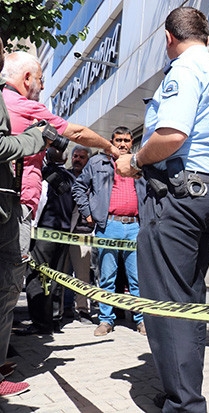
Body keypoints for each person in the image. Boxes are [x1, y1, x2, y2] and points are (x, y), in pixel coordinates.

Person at [115, 7, 209, 412]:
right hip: (207, 193)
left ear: (169, 38)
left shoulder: (184, 69)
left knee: (166, 304)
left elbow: (171, 135)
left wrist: (135, 161)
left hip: (179, 196)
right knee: (187, 301)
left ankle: (184, 404)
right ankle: (182, 393)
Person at [1, 51, 119, 264]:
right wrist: (109, 147)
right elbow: (77, 133)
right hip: (16, 205)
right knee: (11, 271)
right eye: (40, 79)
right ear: (27, 78)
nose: (42, 87)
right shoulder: (28, 107)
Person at [0, 37, 50, 396]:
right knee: (7, 287)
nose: (2, 56)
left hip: (15, 207)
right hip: (11, 209)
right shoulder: (21, 105)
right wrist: (36, 138)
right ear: (28, 77)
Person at [72, 127, 146, 337]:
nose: (122, 144)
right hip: (108, 226)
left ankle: (141, 320)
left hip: (135, 227)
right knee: (107, 277)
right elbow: (78, 187)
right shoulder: (97, 162)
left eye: (126, 140)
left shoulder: (139, 163)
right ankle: (106, 320)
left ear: (131, 143)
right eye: (118, 140)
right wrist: (88, 213)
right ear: (111, 142)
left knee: (136, 278)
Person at [18, 147, 76, 335]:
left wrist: (32, 227)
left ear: (46, 157)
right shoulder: (71, 178)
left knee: (37, 276)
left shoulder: (45, 174)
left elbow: (40, 201)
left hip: (44, 232)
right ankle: (55, 320)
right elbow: (76, 207)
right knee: (57, 276)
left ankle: (40, 323)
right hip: (64, 233)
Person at [63, 145, 94, 322]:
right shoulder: (65, 176)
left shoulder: (92, 179)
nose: (77, 160)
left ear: (88, 160)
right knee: (63, 273)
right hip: (64, 233)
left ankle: (83, 309)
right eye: (75, 156)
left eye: (82, 157)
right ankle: (65, 307)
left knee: (82, 276)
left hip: (84, 233)